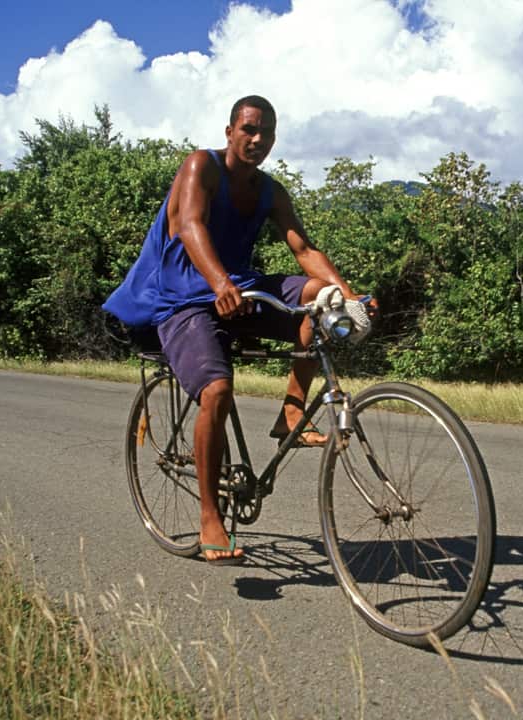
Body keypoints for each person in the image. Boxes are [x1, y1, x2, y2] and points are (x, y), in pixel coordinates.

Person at [104, 95, 366, 565]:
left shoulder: (270, 190)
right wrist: (219, 281)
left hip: (237, 291)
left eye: (266, 131)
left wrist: (348, 294)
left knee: (316, 300)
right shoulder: (200, 167)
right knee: (218, 390)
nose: (257, 139)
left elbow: (303, 248)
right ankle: (209, 517)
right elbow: (189, 225)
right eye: (248, 129)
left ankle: (290, 410)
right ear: (229, 132)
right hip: (182, 295)